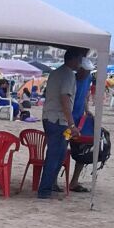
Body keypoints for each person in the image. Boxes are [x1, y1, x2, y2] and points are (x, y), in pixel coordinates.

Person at [37, 47, 86, 199]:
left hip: (50, 118)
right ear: (73, 59)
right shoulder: (67, 75)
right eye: (79, 60)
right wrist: (72, 125)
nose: (80, 63)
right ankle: (45, 190)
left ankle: (50, 185)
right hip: (58, 120)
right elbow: (65, 99)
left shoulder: (56, 73)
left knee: (58, 153)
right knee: (55, 154)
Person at [67, 59, 96, 193]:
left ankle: (74, 181)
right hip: (67, 121)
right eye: (84, 70)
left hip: (79, 121)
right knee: (62, 145)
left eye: (88, 71)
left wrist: (87, 109)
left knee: (83, 149)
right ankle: (54, 180)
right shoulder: (70, 79)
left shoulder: (88, 78)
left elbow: (85, 95)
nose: (86, 73)